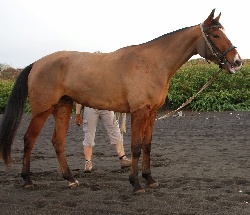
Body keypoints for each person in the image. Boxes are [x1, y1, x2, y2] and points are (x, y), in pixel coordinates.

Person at [75, 104, 131, 173]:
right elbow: (81, 94)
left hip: (106, 106)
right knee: (89, 134)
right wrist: (77, 113)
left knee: (115, 131)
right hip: (90, 106)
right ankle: (88, 162)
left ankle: (123, 158)